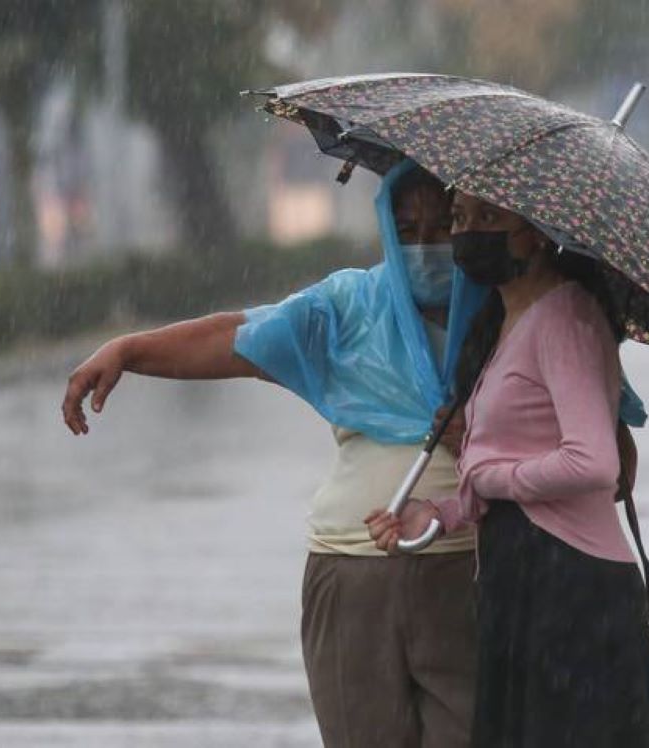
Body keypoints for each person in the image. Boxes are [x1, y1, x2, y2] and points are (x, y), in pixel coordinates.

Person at [63, 160, 489, 747]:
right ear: (386, 227)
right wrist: (129, 350)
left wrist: (479, 434)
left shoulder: (507, 314)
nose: (424, 245)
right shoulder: (347, 307)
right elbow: (239, 339)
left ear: (469, 225)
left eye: (442, 226)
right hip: (349, 572)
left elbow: (592, 446)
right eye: (407, 227)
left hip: (467, 569)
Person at [367, 192, 649, 747]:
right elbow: (506, 460)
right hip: (520, 582)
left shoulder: (565, 315)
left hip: (572, 583)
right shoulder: (502, 323)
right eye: (460, 218)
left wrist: (490, 478)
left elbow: (594, 462)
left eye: (489, 218)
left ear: (536, 232)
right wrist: (439, 514)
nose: (465, 232)